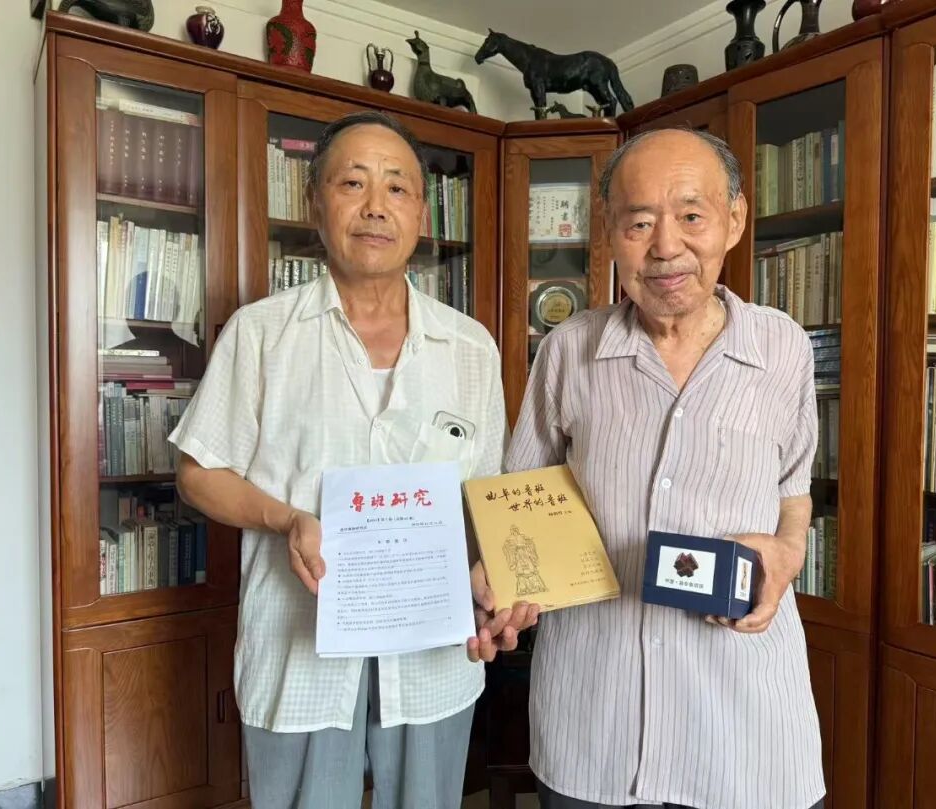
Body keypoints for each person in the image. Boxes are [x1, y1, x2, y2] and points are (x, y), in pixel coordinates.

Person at [169, 110, 537, 809]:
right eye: (352, 183)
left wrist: (489, 575)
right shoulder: (261, 334)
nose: (375, 206)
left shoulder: (469, 347)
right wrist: (285, 519)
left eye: (397, 187)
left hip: (431, 650)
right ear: (315, 204)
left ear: (422, 213)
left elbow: (487, 493)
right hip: (299, 649)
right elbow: (199, 473)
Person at [504, 127, 826, 809]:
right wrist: (501, 580)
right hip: (595, 720)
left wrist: (789, 551)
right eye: (640, 222)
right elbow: (520, 501)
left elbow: (793, 490)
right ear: (610, 232)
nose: (665, 247)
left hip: (743, 723)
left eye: (691, 216)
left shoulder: (784, 348)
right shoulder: (568, 350)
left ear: (734, 220)